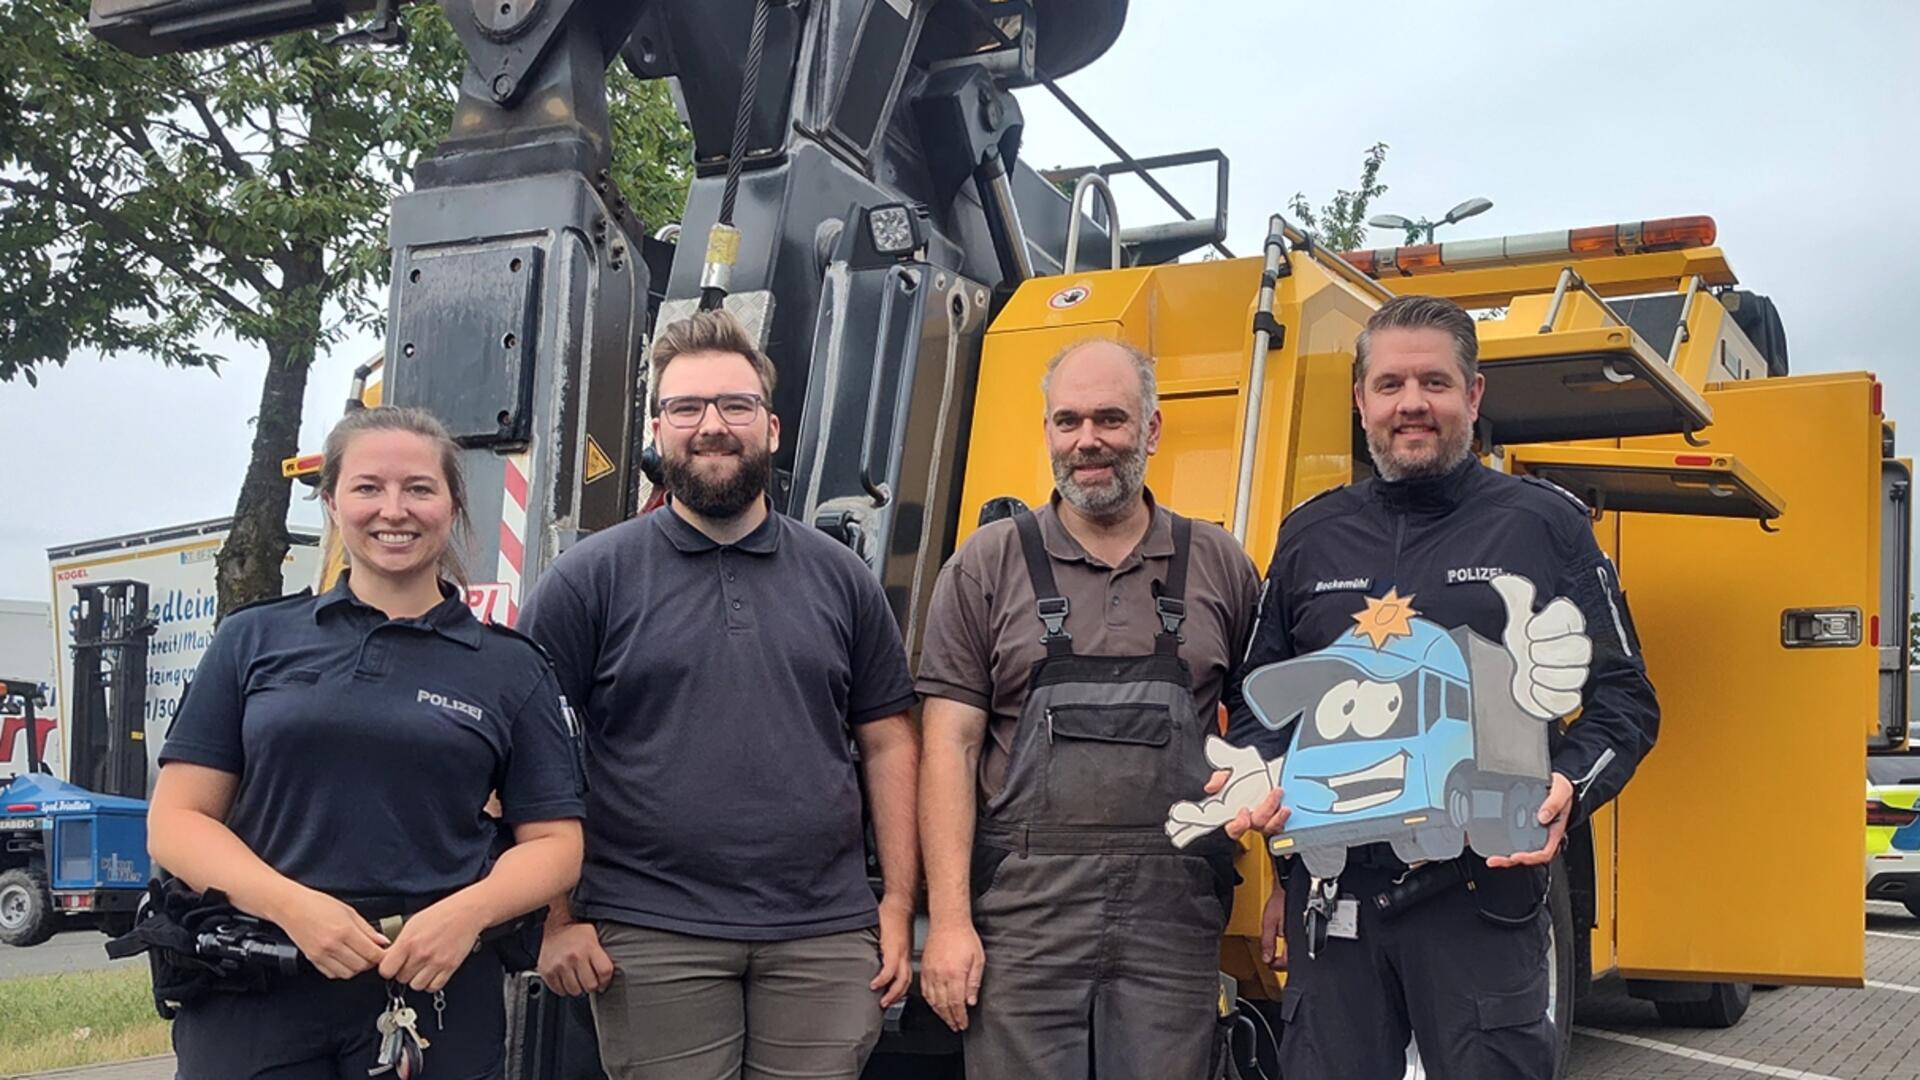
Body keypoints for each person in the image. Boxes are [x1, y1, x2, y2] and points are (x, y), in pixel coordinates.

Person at [1224, 294, 1660, 1079]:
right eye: (1390, 385)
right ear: (1360, 402)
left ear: (1474, 395)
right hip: (1337, 907)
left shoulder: (1544, 525)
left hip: (1481, 902)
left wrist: (1571, 784)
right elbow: (1258, 704)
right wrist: (1280, 832)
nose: (1412, 404)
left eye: (1434, 381)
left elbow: (1628, 699)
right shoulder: (1309, 534)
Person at [521, 309, 919, 1080]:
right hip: (648, 930)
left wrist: (896, 905)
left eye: (734, 406)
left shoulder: (842, 579)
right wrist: (554, 920)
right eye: (686, 408)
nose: (712, 427)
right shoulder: (587, 579)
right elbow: (530, 750)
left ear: (771, 428)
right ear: (657, 431)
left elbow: (889, 740)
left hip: (823, 934)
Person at [149, 405, 586, 1079]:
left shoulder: (510, 666)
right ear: (331, 502)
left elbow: (556, 846)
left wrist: (466, 914)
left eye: (418, 488)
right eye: (367, 488)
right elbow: (177, 822)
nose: (394, 509)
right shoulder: (254, 640)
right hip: (258, 981)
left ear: (450, 504)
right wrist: (292, 907)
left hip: (434, 989)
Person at [915, 337, 1263, 1079]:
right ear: (1047, 431)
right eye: (1068, 421)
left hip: (1174, 915)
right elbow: (947, 748)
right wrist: (947, 923)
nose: (1088, 441)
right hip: (1025, 918)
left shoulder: (1220, 564)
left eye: (1110, 419)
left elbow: (1271, 742)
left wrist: (1291, 888)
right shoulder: (986, 564)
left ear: (1153, 429)